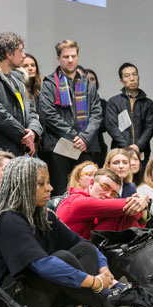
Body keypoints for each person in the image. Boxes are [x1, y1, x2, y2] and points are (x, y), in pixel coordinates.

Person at [0, 156, 153, 307]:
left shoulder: (42, 215)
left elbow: (82, 244)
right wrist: (94, 282)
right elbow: (42, 264)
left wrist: (103, 268)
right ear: (22, 186)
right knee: (62, 259)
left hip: (26, 297)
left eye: (48, 182)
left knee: (84, 251)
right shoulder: (8, 219)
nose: (50, 188)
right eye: (41, 184)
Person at [0, 32, 42, 175]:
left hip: (20, 151)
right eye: (20, 51)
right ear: (9, 54)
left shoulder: (18, 78)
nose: (23, 55)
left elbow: (31, 111)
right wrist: (24, 136)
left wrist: (33, 131)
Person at [40, 40, 103, 195]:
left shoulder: (87, 83)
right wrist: (76, 137)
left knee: (87, 191)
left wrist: (85, 138)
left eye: (73, 56)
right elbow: (48, 114)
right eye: (66, 56)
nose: (70, 60)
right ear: (58, 59)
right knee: (61, 192)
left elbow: (97, 113)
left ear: (77, 57)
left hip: (85, 147)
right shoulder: (49, 83)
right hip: (59, 146)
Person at [57, 168, 147, 240]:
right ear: (91, 183)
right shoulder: (76, 201)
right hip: (68, 256)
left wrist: (143, 207)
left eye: (113, 194)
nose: (108, 195)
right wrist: (141, 200)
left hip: (88, 253)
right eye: (105, 187)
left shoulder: (100, 209)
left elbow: (136, 218)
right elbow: (126, 205)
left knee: (125, 216)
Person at [105, 62, 153, 172]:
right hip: (119, 152)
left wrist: (138, 146)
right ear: (121, 81)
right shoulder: (114, 102)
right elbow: (111, 127)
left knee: (141, 182)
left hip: (141, 152)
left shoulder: (148, 103)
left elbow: (150, 128)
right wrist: (127, 148)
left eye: (134, 74)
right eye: (127, 76)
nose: (132, 78)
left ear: (138, 77)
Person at [85, 68, 109, 166]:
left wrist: (90, 124)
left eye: (92, 79)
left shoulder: (103, 103)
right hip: (78, 144)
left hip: (98, 145)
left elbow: (105, 124)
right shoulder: (73, 103)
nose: (90, 82)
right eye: (86, 79)